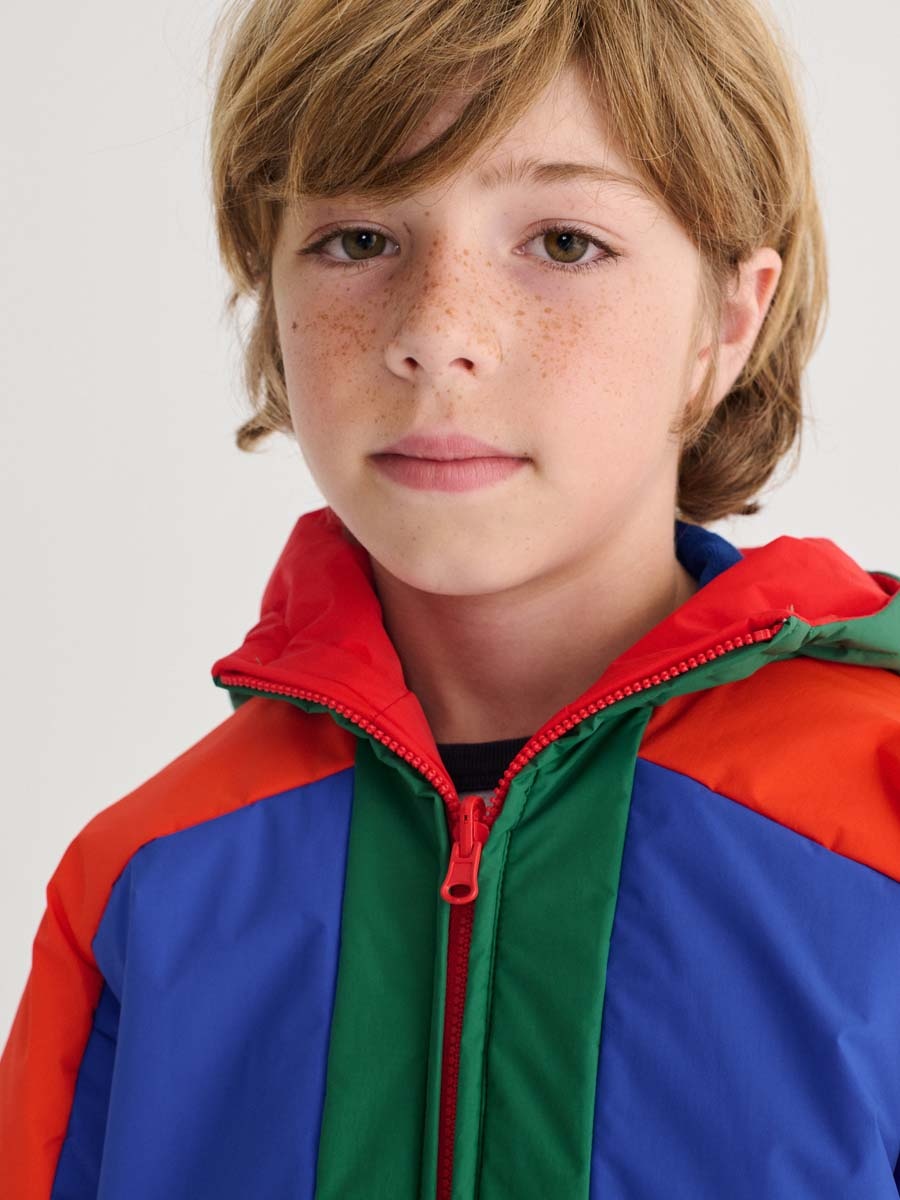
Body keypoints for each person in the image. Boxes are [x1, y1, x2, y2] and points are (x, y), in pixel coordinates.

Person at [3, 0, 900, 1195]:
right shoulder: (144, 881)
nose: (436, 333)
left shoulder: (880, 821)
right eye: (357, 239)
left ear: (730, 319)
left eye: (565, 243)